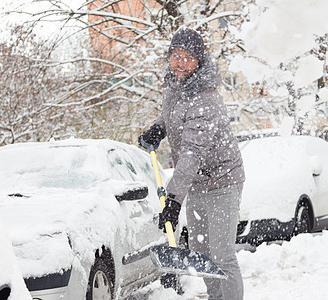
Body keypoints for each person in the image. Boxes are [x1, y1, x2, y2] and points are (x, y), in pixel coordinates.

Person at [138, 28, 245, 300]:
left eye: (188, 57)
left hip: (222, 181)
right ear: (169, 57)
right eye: (177, 56)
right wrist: (158, 128)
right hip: (196, 182)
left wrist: (173, 200)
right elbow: (172, 116)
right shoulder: (173, 86)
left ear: (199, 62)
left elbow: (191, 153)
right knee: (201, 251)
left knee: (222, 255)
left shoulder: (204, 97)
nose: (181, 62)